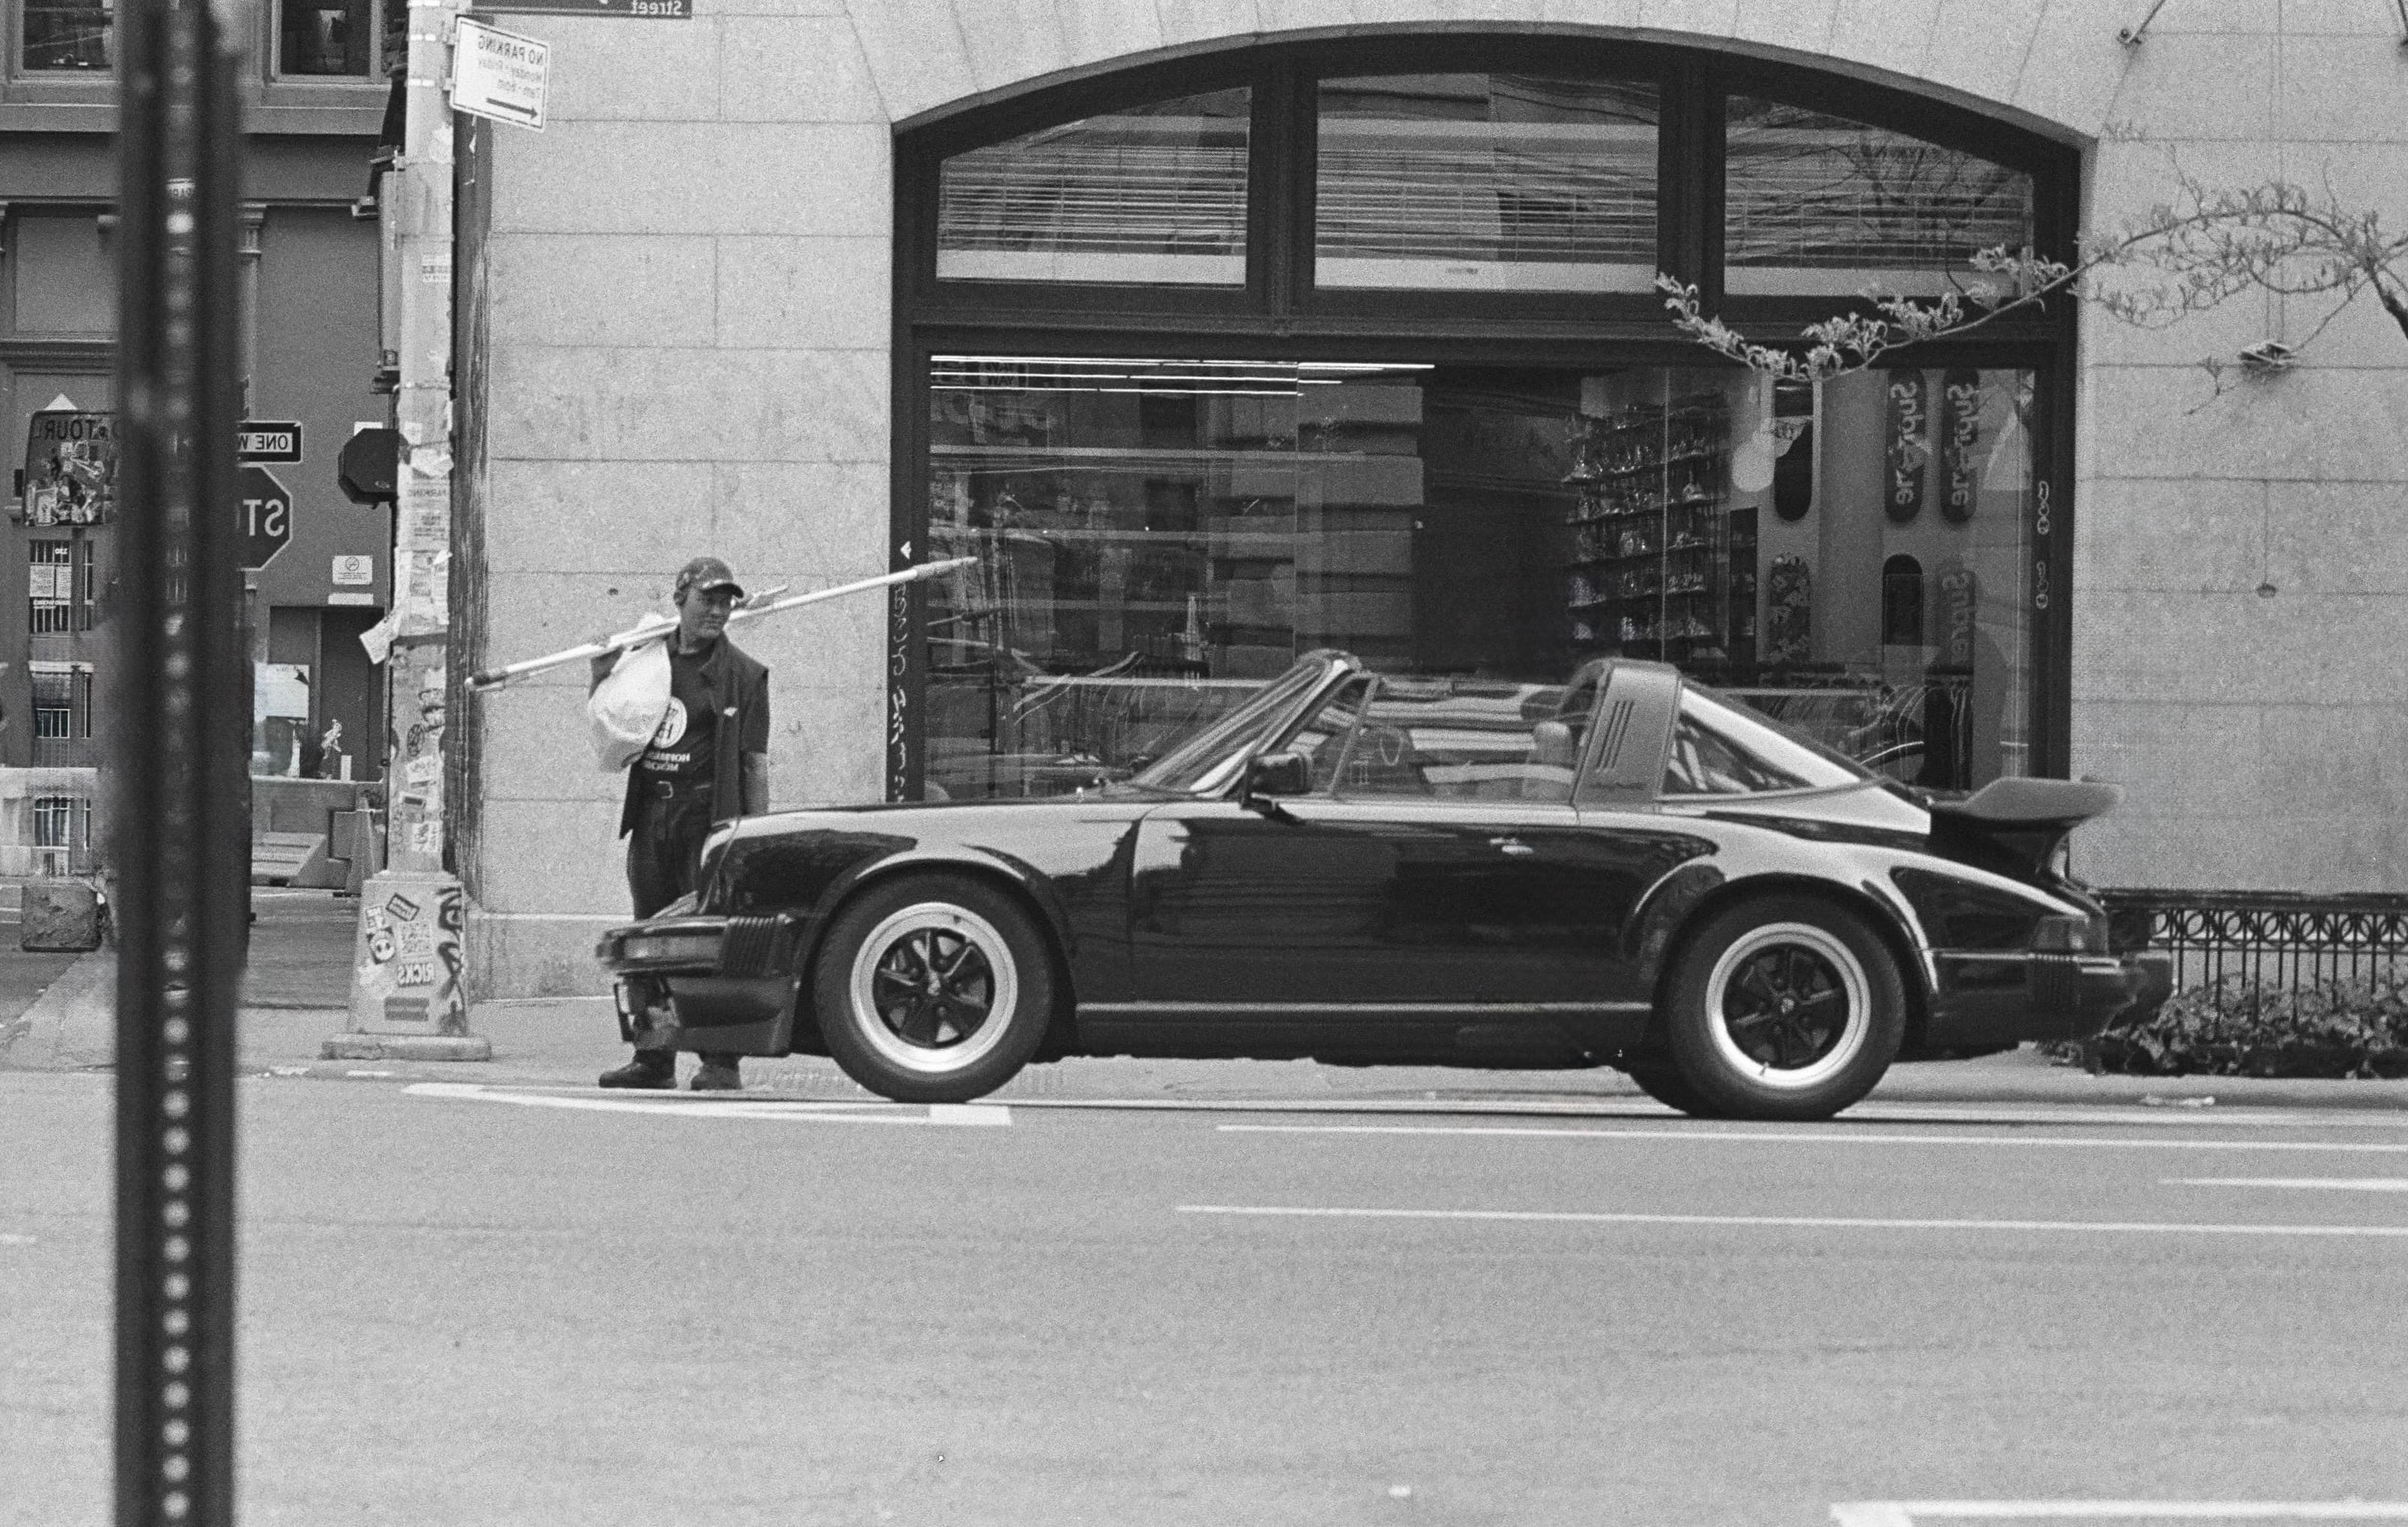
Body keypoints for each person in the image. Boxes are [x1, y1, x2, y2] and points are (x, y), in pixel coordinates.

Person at [593, 554, 772, 1091]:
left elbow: (754, 763)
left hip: (707, 819)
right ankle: (652, 1056)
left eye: (725, 602)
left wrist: (753, 838)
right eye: (707, 600)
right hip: (653, 814)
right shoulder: (644, 660)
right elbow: (609, 728)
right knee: (647, 935)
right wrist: (600, 673)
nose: (717, 611)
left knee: (709, 938)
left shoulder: (744, 675)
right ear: (680, 600)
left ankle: (720, 1061)